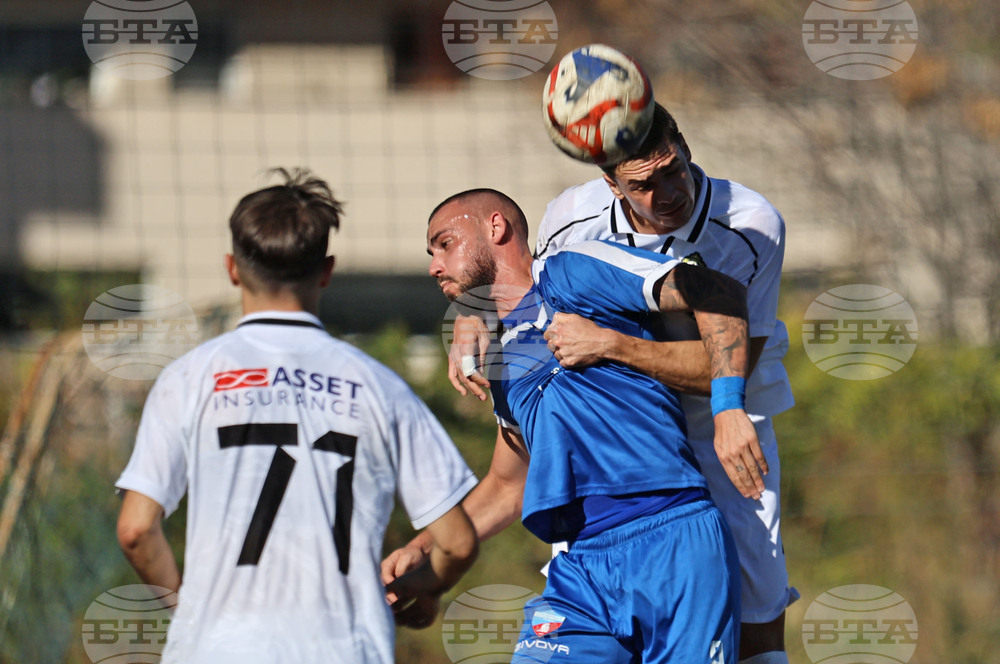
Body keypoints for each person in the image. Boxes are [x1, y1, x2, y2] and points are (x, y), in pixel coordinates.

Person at [115, 169, 479, 664]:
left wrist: (190, 611)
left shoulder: (190, 377)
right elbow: (456, 543)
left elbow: (136, 529)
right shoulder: (379, 387)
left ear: (231, 268)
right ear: (326, 271)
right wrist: (428, 589)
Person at [389, 188, 758, 662]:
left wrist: (729, 407)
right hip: (581, 567)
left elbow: (716, 290)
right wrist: (427, 547)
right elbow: (506, 486)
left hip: (671, 539)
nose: (433, 266)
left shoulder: (570, 271)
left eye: (444, 244)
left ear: (495, 228)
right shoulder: (499, 362)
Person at [533, 102, 797, 664]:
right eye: (643, 184)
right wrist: (468, 316)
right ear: (609, 182)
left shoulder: (751, 224)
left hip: (724, 424)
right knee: (606, 615)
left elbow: (729, 367)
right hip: (621, 439)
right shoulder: (566, 221)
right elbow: (534, 301)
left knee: (757, 618)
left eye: (672, 169)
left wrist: (612, 345)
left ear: (685, 145)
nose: (667, 193)